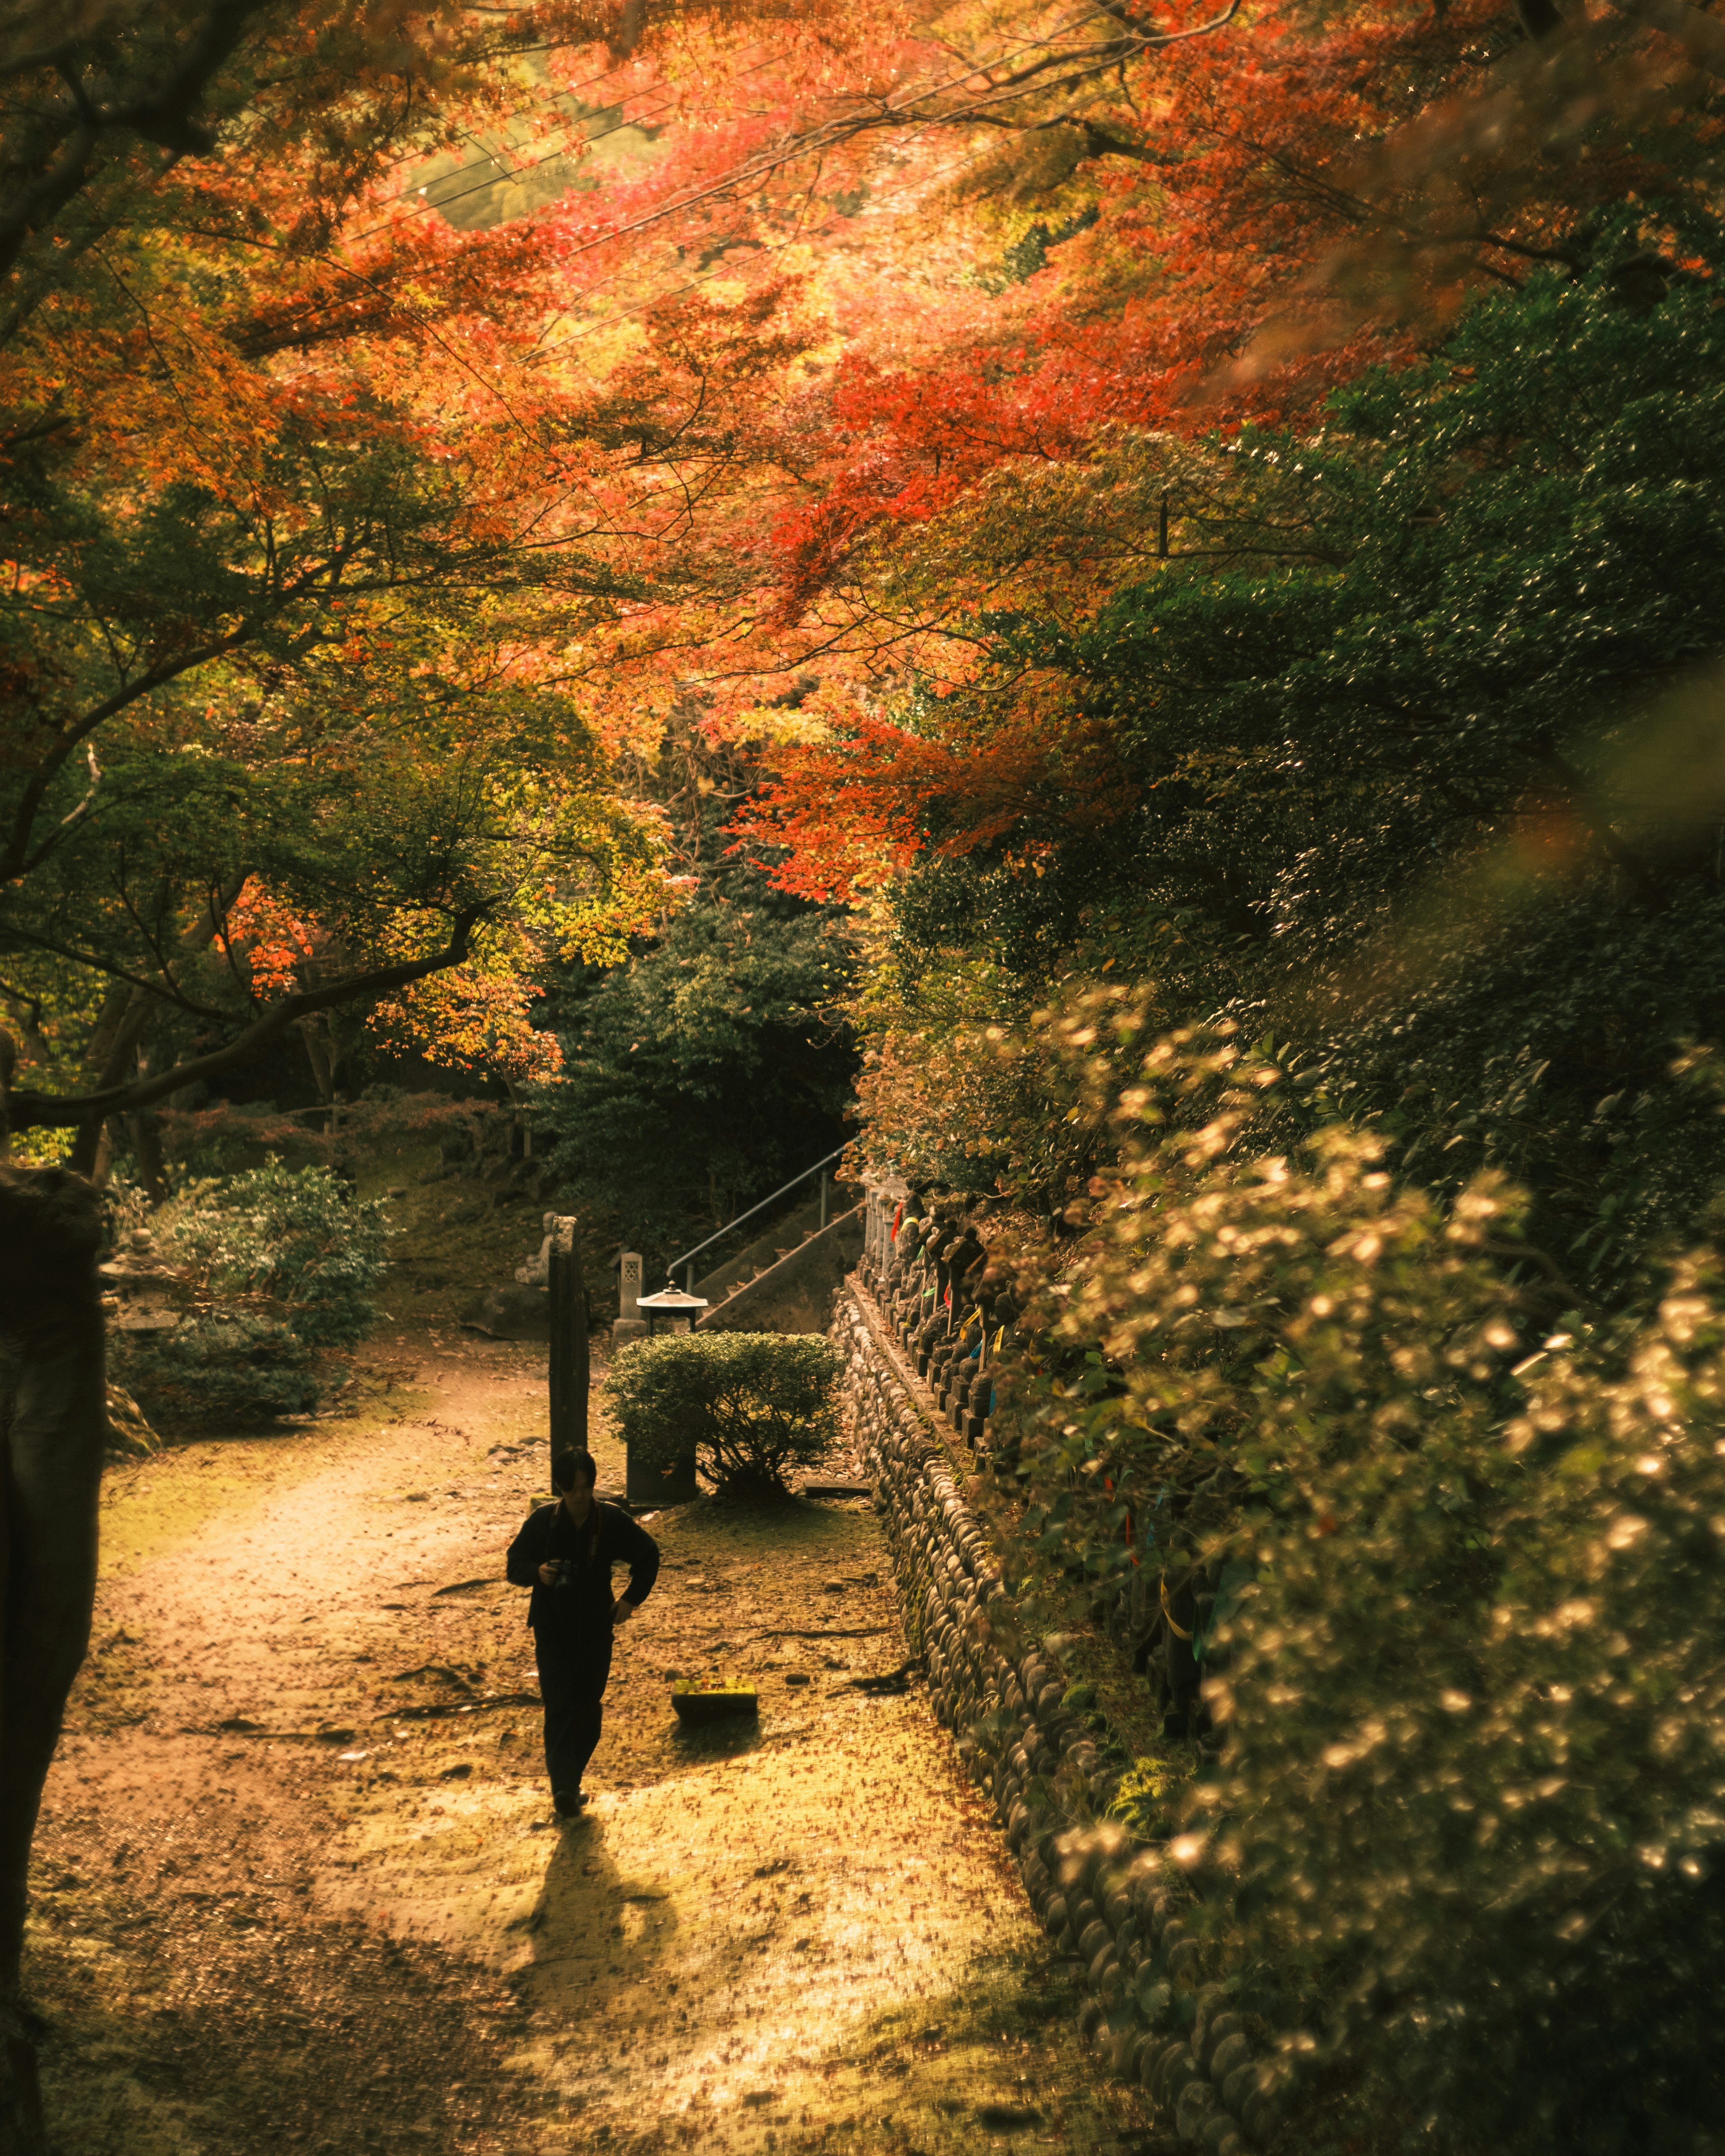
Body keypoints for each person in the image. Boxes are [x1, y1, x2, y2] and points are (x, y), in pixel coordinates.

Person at [505, 1447, 659, 1820]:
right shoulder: (543, 1521)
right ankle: (565, 1789)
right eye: (572, 1488)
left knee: (588, 1706)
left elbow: (649, 1555)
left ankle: (569, 1785)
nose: (579, 1496)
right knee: (559, 1705)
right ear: (560, 1487)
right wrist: (537, 1573)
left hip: (595, 1624)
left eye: (586, 1488)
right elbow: (514, 1565)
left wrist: (631, 1600)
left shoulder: (610, 1520)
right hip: (551, 1626)